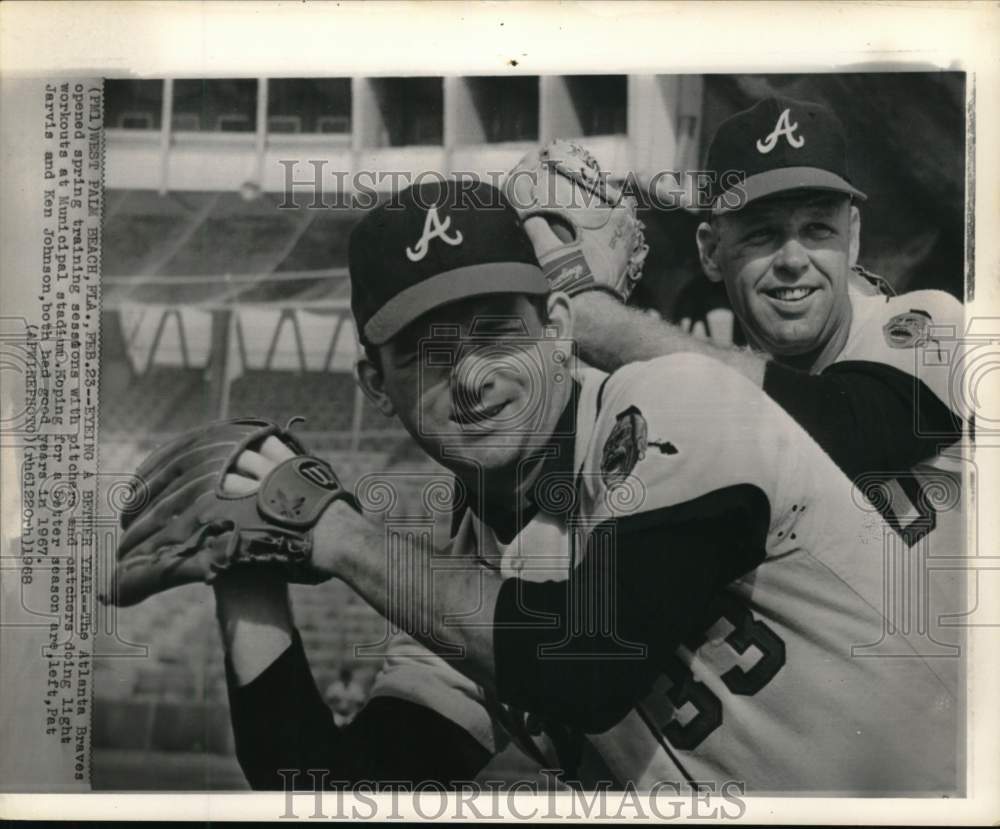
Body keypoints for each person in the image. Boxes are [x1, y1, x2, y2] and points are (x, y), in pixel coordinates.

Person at [211, 180, 957, 794]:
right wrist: (242, 565)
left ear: (559, 327)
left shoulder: (674, 403)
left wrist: (336, 534)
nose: (472, 376)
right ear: (376, 386)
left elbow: (588, 661)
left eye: (496, 330)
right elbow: (338, 793)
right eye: (424, 353)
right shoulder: (462, 594)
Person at [519, 98, 967, 511]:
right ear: (711, 252)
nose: (793, 260)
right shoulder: (714, 409)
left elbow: (848, 428)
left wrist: (595, 319)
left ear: (852, 238)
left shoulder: (934, 325)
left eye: (817, 229)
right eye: (762, 233)